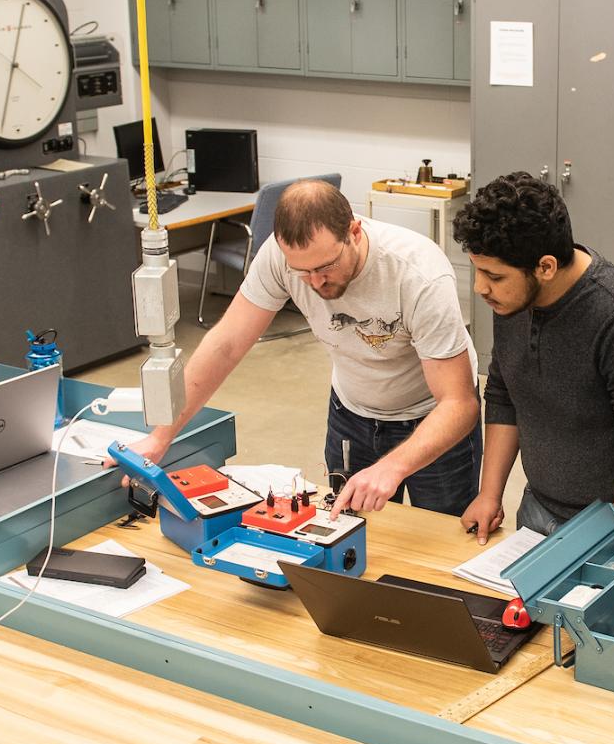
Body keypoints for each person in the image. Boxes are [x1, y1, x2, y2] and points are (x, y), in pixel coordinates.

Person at [123, 179, 481, 515]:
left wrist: (392, 467)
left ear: (354, 232)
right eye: (302, 272)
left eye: (326, 266)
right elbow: (225, 345)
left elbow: (459, 403)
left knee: (438, 539)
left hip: (428, 416)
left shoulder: (418, 275)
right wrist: (160, 438)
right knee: (351, 533)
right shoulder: (280, 258)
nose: (315, 282)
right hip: (352, 414)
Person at [453, 173, 614, 542]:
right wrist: (489, 495)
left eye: (493, 276)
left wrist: (611, 545)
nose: (479, 288)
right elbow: (503, 395)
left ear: (545, 267)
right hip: (541, 509)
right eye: (477, 271)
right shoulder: (512, 299)